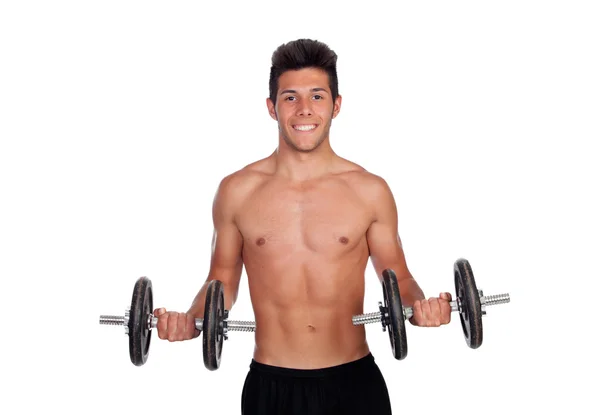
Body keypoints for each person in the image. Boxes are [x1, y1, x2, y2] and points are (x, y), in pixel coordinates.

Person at [153, 38, 452, 414]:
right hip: (270, 386)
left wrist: (421, 308)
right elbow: (221, 282)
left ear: (336, 105)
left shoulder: (370, 191)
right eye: (290, 98)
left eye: (318, 96)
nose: (304, 110)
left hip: (354, 383)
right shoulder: (237, 191)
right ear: (271, 108)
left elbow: (400, 279)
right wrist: (191, 320)